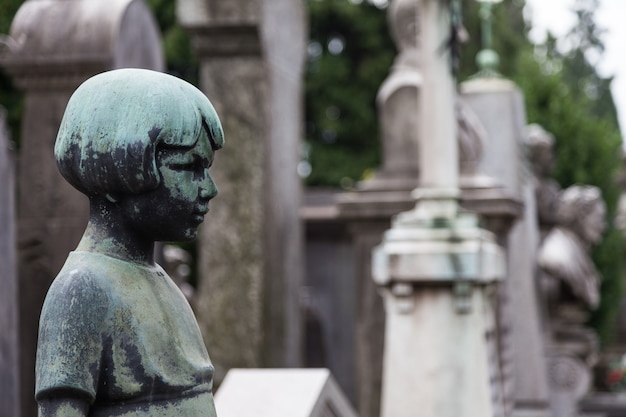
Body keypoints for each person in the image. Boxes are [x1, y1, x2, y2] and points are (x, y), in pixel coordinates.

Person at [35, 68, 224, 417]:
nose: (209, 189)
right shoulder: (83, 290)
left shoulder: (162, 281)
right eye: (190, 167)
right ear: (117, 169)